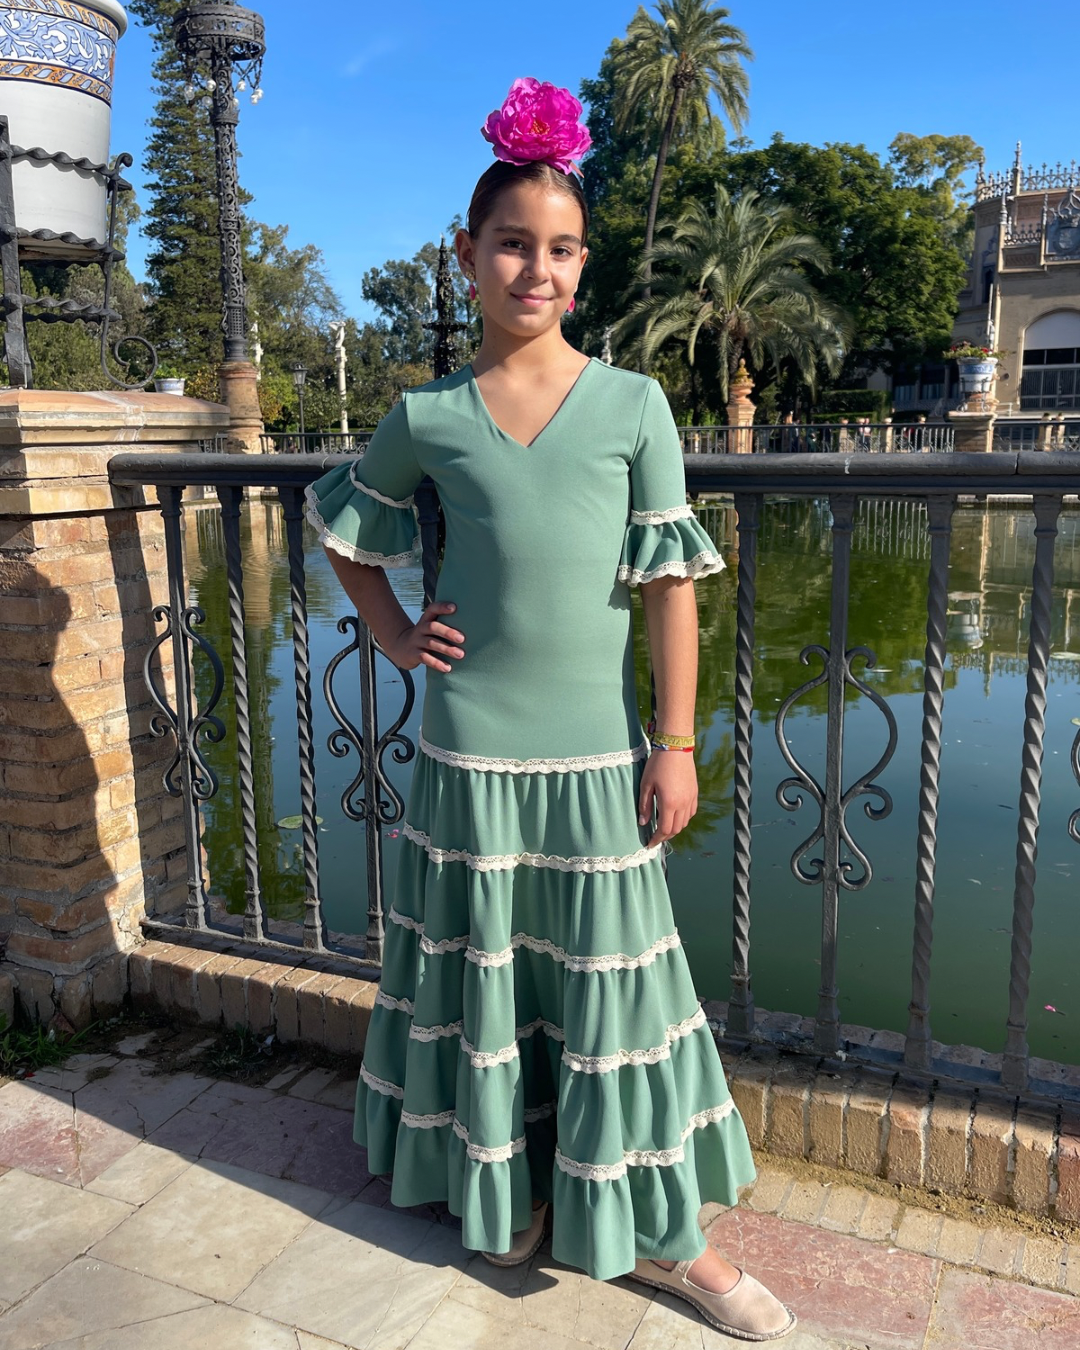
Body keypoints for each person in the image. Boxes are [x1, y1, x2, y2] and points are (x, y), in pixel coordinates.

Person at [306, 77, 795, 1342]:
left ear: (583, 267)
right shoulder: (427, 416)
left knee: (618, 997)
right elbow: (346, 532)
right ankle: (508, 1190)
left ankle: (671, 1239)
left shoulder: (634, 406)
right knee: (490, 981)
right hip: (466, 751)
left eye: (562, 248)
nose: (538, 267)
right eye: (513, 243)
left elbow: (672, 592)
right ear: (469, 256)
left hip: (594, 757)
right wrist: (395, 633)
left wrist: (675, 746)